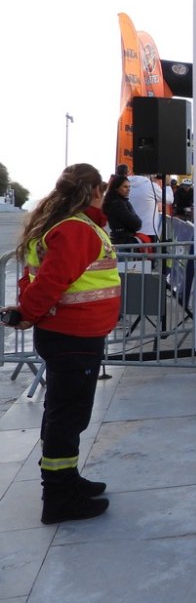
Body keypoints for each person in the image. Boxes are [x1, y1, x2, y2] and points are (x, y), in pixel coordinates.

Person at [0, 164, 120, 524]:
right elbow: (50, 283)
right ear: (95, 190)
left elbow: (35, 279)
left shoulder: (60, 224)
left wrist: (28, 313)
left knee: (63, 412)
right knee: (68, 416)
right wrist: (27, 314)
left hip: (70, 334)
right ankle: (60, 497)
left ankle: (66, 479)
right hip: (74, 335)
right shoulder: (76, 229)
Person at [127, 173, 172, 242]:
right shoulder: (151, 186)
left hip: (129, 230)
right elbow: (169, 199)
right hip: (148, 231)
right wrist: (167, 185)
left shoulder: (126, 185)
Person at [102, 173, 142, 246]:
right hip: (124, 241)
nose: (128, 189)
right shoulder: (119, 204)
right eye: (125, 187)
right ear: (116, 188)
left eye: (129, 187)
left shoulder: (116, 202)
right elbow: (136, 224)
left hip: (120, 239)